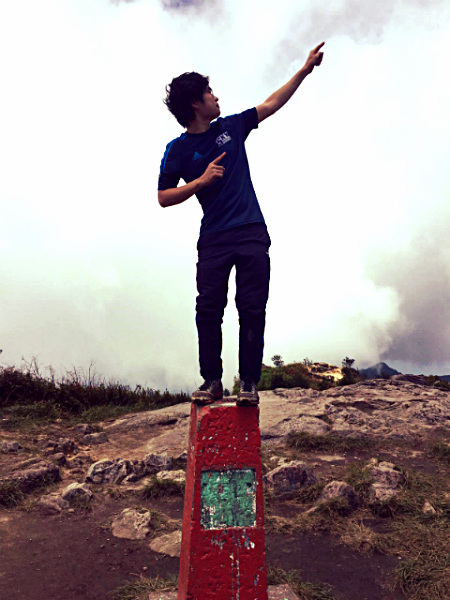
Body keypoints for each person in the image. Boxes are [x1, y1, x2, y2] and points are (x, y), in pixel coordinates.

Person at [158, 43, 324, 406]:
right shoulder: (177, 149)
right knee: (208, 311)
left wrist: (304, 70)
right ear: (195, 105)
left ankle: (249, 383)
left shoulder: (231, 127)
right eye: (209, 93)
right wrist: (200, 182)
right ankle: (212, 382)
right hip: (214, 239)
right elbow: (163, 196)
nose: (217, 97)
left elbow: (271, 104)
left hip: (251, 231)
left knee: (251, 308)